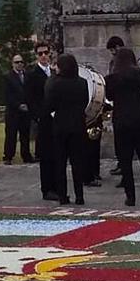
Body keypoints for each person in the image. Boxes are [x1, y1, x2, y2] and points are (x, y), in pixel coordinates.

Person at [105, 48, 140, 206]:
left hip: (121, 121)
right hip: (139, 118)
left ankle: (130, 197)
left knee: (125, 160)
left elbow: (109, 97)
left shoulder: (111, 78)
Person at [44, 54, 90, 205]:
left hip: (60, 126)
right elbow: (84, 102)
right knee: (78, 162)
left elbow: (49, 104)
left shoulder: (55, 84)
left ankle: (63, 195)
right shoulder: (82, 83)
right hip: (78, 125)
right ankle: (80, 196)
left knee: (60, 163)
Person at [26, 43, 57, 200]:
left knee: (56, 154)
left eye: (46, 52)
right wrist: (38, 116)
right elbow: (30, 98)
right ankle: (47, 189)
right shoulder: (32, 74)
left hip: (56, 119)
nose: (43, 55)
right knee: (46, 155)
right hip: (44, 119)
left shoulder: (54, 72)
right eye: (40, 53)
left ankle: (57, 185)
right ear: (36, 56)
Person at [2, 54, 34, 165]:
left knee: (25, 134)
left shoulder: (28, 75)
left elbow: (30, 92)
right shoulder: (8, 77)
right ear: (12, 64)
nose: (19, 64)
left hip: (26, 111)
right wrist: (18, 105)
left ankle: (26, 155)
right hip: (13, 112)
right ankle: (8, 156)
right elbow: (7, 95)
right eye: (17, 62)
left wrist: (28, 105)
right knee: (11, 134)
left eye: (21, 62)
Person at [105, 36, 126, 177]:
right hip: (118, 105)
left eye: (113, 50)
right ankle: (121, 163)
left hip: (123, 106)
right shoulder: (113, 62)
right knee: (119, 140)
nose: (112, 53)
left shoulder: (123, 64)